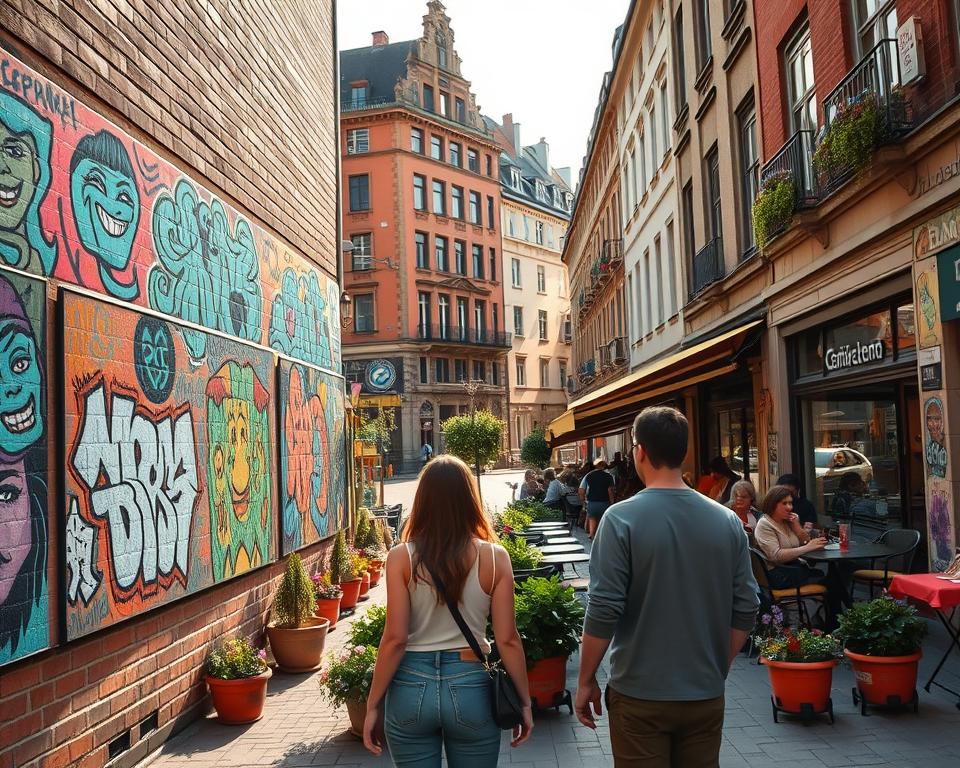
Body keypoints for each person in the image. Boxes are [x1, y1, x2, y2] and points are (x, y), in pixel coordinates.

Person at [576, 407, 759, 767]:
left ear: (639, 451)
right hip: (703, 692)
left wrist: (585, 680)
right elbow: (748, 605)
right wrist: (719, 663)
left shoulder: (620, 519)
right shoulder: (726, 521)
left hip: (640, 692)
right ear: (683, 453)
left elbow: (603, 609)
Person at [362, 454, 534, 765]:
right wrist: (524, 702)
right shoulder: (495, 558)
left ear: (423, 499)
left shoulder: (401, 557)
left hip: (410, 686)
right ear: (469, 498)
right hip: (471, 687)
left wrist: (373, 704)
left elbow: (395, 639)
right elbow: (508, 639)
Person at [754, 485, 842, 624]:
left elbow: (805, 540)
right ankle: (834, 623)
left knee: (834, 578)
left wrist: (796, 526)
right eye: (784, 503)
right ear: (772, 503)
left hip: (793, 568)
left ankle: (833, 622)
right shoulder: (765, 525)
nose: (789, 507)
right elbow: (775, 555)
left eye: (790, 503)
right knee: (832, 581)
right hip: (779, 574)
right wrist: (807, 548)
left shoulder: (787, 521)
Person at [578, 459, 615, 538]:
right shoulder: (609, 476)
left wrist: (584, 503)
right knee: (603, 520)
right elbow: (610, 491)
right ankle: (601, 536)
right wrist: (612, 503)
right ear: (604, 466)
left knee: (592, 519)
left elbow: (581, 490)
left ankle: (591, 534)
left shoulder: (588, 475)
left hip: (592, 503)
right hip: (604, 503)